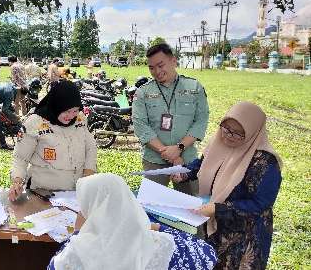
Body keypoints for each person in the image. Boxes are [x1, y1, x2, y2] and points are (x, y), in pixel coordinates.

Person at [171, 102, 282, 269]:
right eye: (226, 128)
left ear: (253, 133)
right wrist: (184, 173)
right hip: (216, 226)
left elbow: (260, 204)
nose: (228, 136)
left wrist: (219, 209)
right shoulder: (219, 144)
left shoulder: (265, 162)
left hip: (244, 235)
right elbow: (203, 164)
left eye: (238, 133)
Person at [48, 173, 217, 270]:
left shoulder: (75, 253)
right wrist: (158, 227)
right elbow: (207, 254)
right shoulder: (161, 245)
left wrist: (78, 233)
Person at [132, 43, 209, 195]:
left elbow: (201, 121)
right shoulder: (143, 92)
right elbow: (141, 125)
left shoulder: (194, 88)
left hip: (187, 160)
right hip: (154, 161)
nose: (157, 72)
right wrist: (168, 153)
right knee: (151, 206)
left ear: (173, 61)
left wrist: (179, 149)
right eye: (151, 68)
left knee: (190, 207)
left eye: (160, 65)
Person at [9, 80, 97, 201]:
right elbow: (21, 157)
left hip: (76, 193)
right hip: (43, 193)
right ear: (56, 105)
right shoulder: (35, 123)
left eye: (75, 110)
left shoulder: (80, 119)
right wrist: (17, 180)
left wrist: (89, 173)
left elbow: (90, 147)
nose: (71, 116)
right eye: (66, 111)